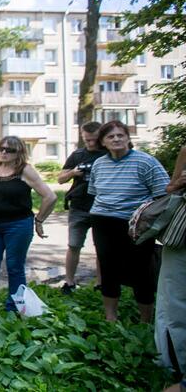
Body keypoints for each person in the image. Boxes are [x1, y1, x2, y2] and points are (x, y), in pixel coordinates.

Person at [87, 121, 169, 322]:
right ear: (103, 142)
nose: (116, 139)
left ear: (128, 138)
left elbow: (163, 193)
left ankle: (145, 319)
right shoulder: (99, 164)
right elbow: (94, 192)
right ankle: (111, 317)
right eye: (110, 137)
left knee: (141, 271)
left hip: (136, 225)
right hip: (103, 222)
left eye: (120, 135)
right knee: (108, 269)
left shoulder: (146, 162)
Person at [0, 136, 57, 311]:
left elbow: (50, 197)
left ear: (18, 152)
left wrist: (39, 220)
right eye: (1, 149)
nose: (4, 152)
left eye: (9, 150)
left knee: (14, 267)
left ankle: (15, 308)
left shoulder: (25, 170)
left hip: (18, 226)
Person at [57, 121, 105, 294]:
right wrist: (73, 173)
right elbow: (60, 179)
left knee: (102, 247)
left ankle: (101, 283)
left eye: (94, 140)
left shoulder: (109, 154)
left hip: (103, 207)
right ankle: (69, 282)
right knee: (74, 245)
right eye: (87, 140)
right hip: (79, 206)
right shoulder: (77, 155)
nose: (91, 144)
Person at [157, 144, 186, 391]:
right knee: (174, 301)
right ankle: (175, 363)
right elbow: (170, 189)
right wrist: (178, 184)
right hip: (182, 237)